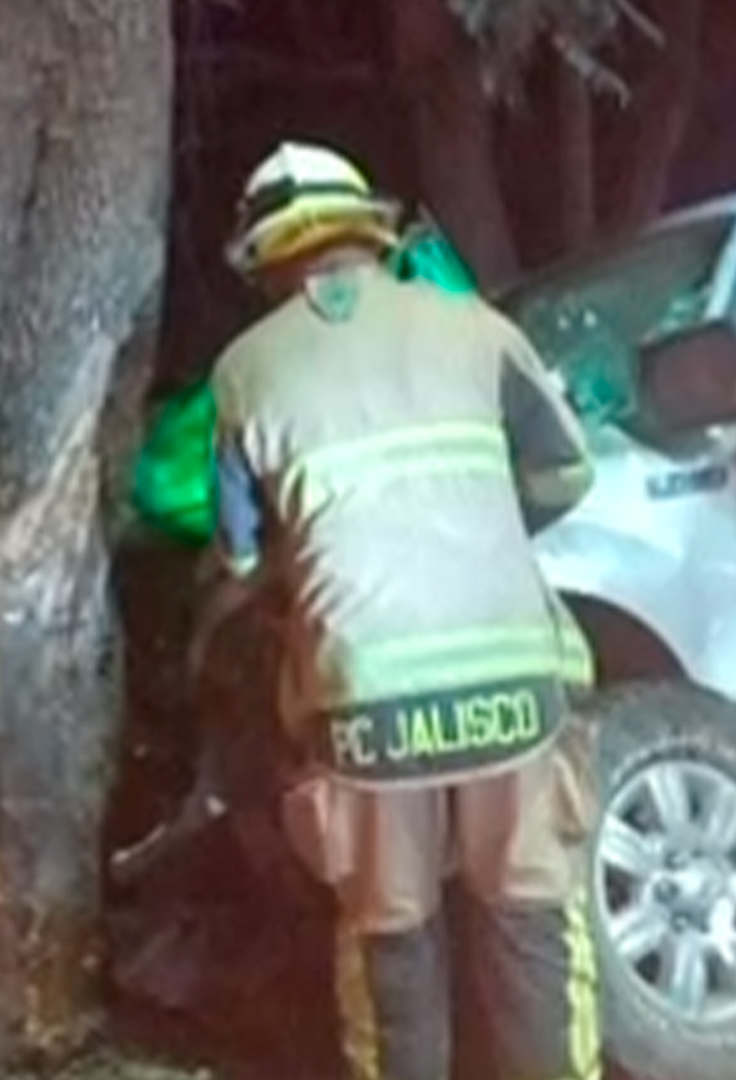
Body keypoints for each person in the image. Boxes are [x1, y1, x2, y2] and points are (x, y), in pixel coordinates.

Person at [190, 139, 603, 1080]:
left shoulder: (244, 373)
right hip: (515, 684)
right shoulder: (478, 329)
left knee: (390, 939)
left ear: (266, 254)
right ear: (366, 233)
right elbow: (568, 470)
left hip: (366, 702)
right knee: (533, 916)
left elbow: (242, 550)